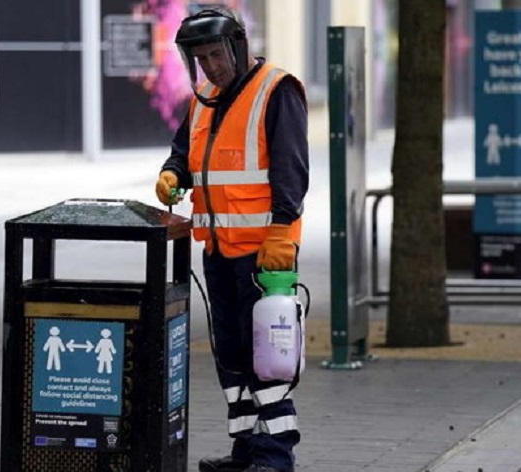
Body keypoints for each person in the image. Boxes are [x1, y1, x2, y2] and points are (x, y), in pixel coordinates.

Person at [155, 6, 308, 472]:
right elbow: (186, 151)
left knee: (268, 359)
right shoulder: (204, 96)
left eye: (217, 55)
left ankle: (276, 455)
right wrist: (171, 172)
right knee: (233, 358)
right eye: (201, 59)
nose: (211, 66)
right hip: (218, 251)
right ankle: (245, 451)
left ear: (237, 48)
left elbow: (290, 169)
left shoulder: (276, 91)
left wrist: (282, 231)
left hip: (264, 253)